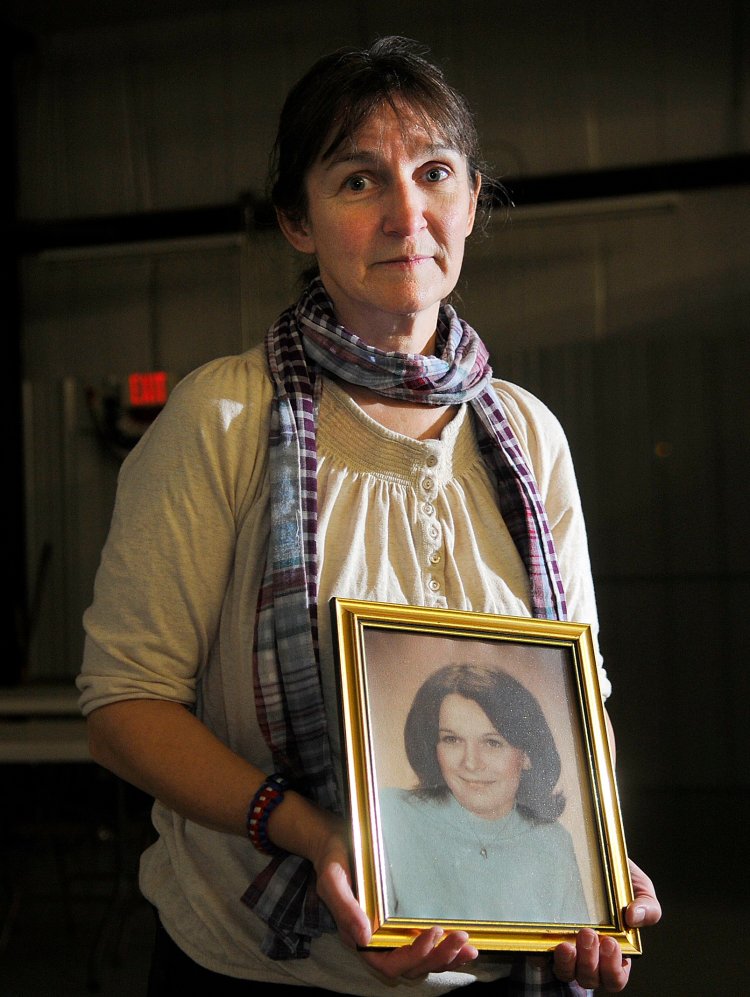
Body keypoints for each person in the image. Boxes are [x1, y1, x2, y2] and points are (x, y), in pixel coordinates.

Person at [77, 34, 661, 996]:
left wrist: (590, 859)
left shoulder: (525, 432)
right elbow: (123, 708)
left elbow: (570, 693)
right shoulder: (226, 418)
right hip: (265, 971)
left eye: (434, 172)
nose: (407, 213)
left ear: (472, 199)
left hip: (507, 965)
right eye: (358, 180)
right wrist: (314, 831)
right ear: (297, 222)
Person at [380, 664, 589, 923]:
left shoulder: (554, 844)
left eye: (492, 742)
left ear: (526, 755)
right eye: (451, 739)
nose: (470, 763)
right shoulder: (390, 813)